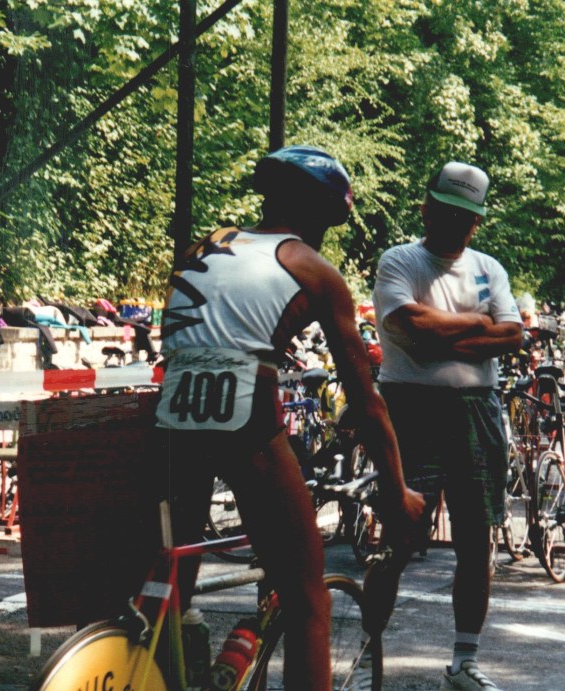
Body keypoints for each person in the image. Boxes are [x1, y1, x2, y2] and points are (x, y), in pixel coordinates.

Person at [156, 145, 425, 689]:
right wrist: (397, 491)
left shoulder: (203, 245)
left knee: (168, 589)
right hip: (246, 419)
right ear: (320, 213)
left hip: (171, 416)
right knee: (307, 599)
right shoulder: (313, 268)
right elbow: (365, 400)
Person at [371, 161, 523, 691]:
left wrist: (440, 336)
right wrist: (480, 325)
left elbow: (512, 336)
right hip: (411, 407)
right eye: (448, 212)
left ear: (476, 222)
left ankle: (464, 661)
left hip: (477, 408)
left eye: (467, 216)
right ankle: (368, 649)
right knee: (400, 537)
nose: (457, 224)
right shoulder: (400, 260)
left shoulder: (489, 267)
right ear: (426, 209)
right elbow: (409, 326)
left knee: (476, 540)